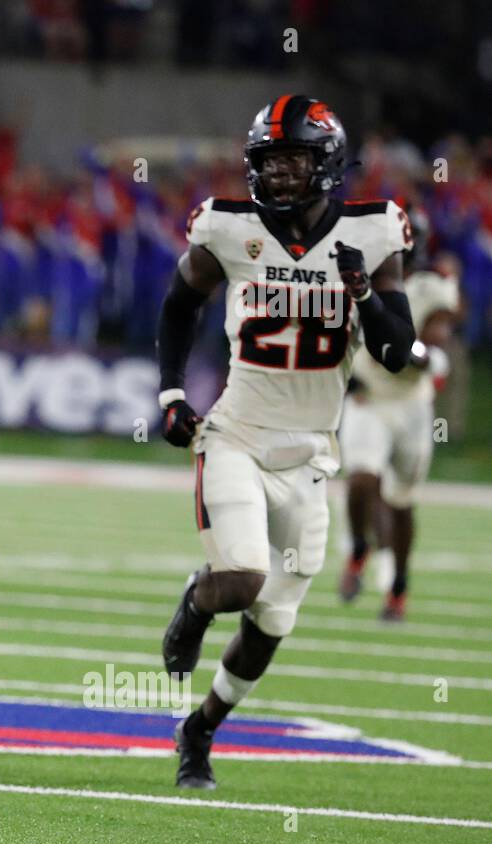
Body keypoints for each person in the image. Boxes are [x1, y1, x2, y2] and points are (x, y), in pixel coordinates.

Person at [155, 96, 415, 789]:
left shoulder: (375, 232)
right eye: (270, 162)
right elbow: (180, 304)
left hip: (311, 455)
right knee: (240, 581)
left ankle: (199, 730)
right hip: (236, 433)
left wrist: (362, 293)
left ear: (326, 160)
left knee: (271, 625)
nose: (281, 175)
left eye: (296, 159)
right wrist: (172, 392)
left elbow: (396, 352)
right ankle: (197, 600)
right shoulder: (229, 228)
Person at [337, 212, 458, 620]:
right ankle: (358, 548)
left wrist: (415, 353)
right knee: (361, 480)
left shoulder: (430, 286)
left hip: (410, 404)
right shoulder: (352, 279)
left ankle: (399, 585)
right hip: (369, 398)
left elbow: (432, 342)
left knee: (401, 502)